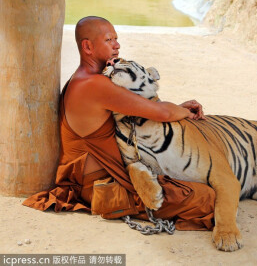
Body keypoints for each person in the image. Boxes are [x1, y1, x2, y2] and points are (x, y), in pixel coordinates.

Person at [23, 16, 215, 231]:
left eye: (116, 38)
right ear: (87, 46)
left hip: (102, 180)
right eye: (108, 40)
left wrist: (177, 108)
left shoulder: (86, 78)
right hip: (101, 188)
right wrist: (184, 112)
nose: (117, 45)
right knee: (205, 198)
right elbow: (160, 112)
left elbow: (143, 109)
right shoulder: (93, 85)